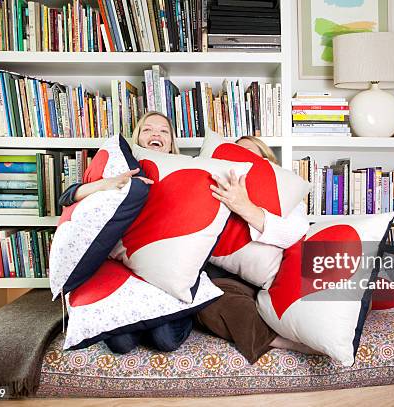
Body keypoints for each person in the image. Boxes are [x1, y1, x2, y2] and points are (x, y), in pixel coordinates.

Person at [58, 111, 192, 354]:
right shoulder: (123, 168)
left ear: (172, 142)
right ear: (137, 137)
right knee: (122, 344)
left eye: (163, 131)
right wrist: (106, 185)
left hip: (163, 269)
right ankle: (142, 315)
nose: (155, 134)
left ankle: (162, 314)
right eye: (148, 129)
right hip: (122, 266)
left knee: (165, 340)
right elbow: (66, 197)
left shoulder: (187, 169)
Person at [196, 136, 321, 364]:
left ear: (266, 163)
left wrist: (245, 208)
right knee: (206, 299)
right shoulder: (213, 186)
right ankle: (278, 340)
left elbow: (295, 233)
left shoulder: (283, 194)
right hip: (223, 278)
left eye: (248, 156)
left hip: (269, 280)